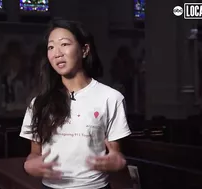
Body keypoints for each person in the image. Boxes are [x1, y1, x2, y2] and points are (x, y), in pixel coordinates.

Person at [19, 19, 131, 189]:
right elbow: (34, 154)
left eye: (64, 44)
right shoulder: (39, 103)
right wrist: (30, 164)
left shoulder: (110, 98)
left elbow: (115, 154)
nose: (57, 53)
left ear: (84, 50)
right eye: (51, 47)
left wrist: (117, 161)